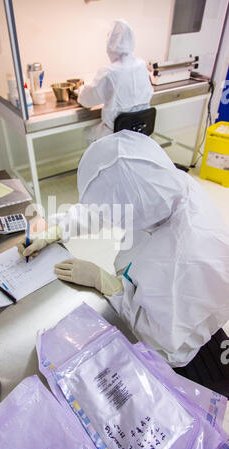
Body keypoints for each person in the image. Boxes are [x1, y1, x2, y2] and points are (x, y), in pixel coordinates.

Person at [17, 130, 229, 368]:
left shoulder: (187, 259)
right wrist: (55, 229)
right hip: (151, 287)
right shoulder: (162, 185)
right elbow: (106, 207)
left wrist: (109, 285)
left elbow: (162, 343)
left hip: (173, 342)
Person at [77, 19, 153, 144]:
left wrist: (80, 91)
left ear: (110, 44)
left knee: (88, 133)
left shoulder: (110, 72)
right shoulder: (141, 65)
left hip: (115, 134)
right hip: (140, 131)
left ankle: (99, 162)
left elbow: (87, 100)